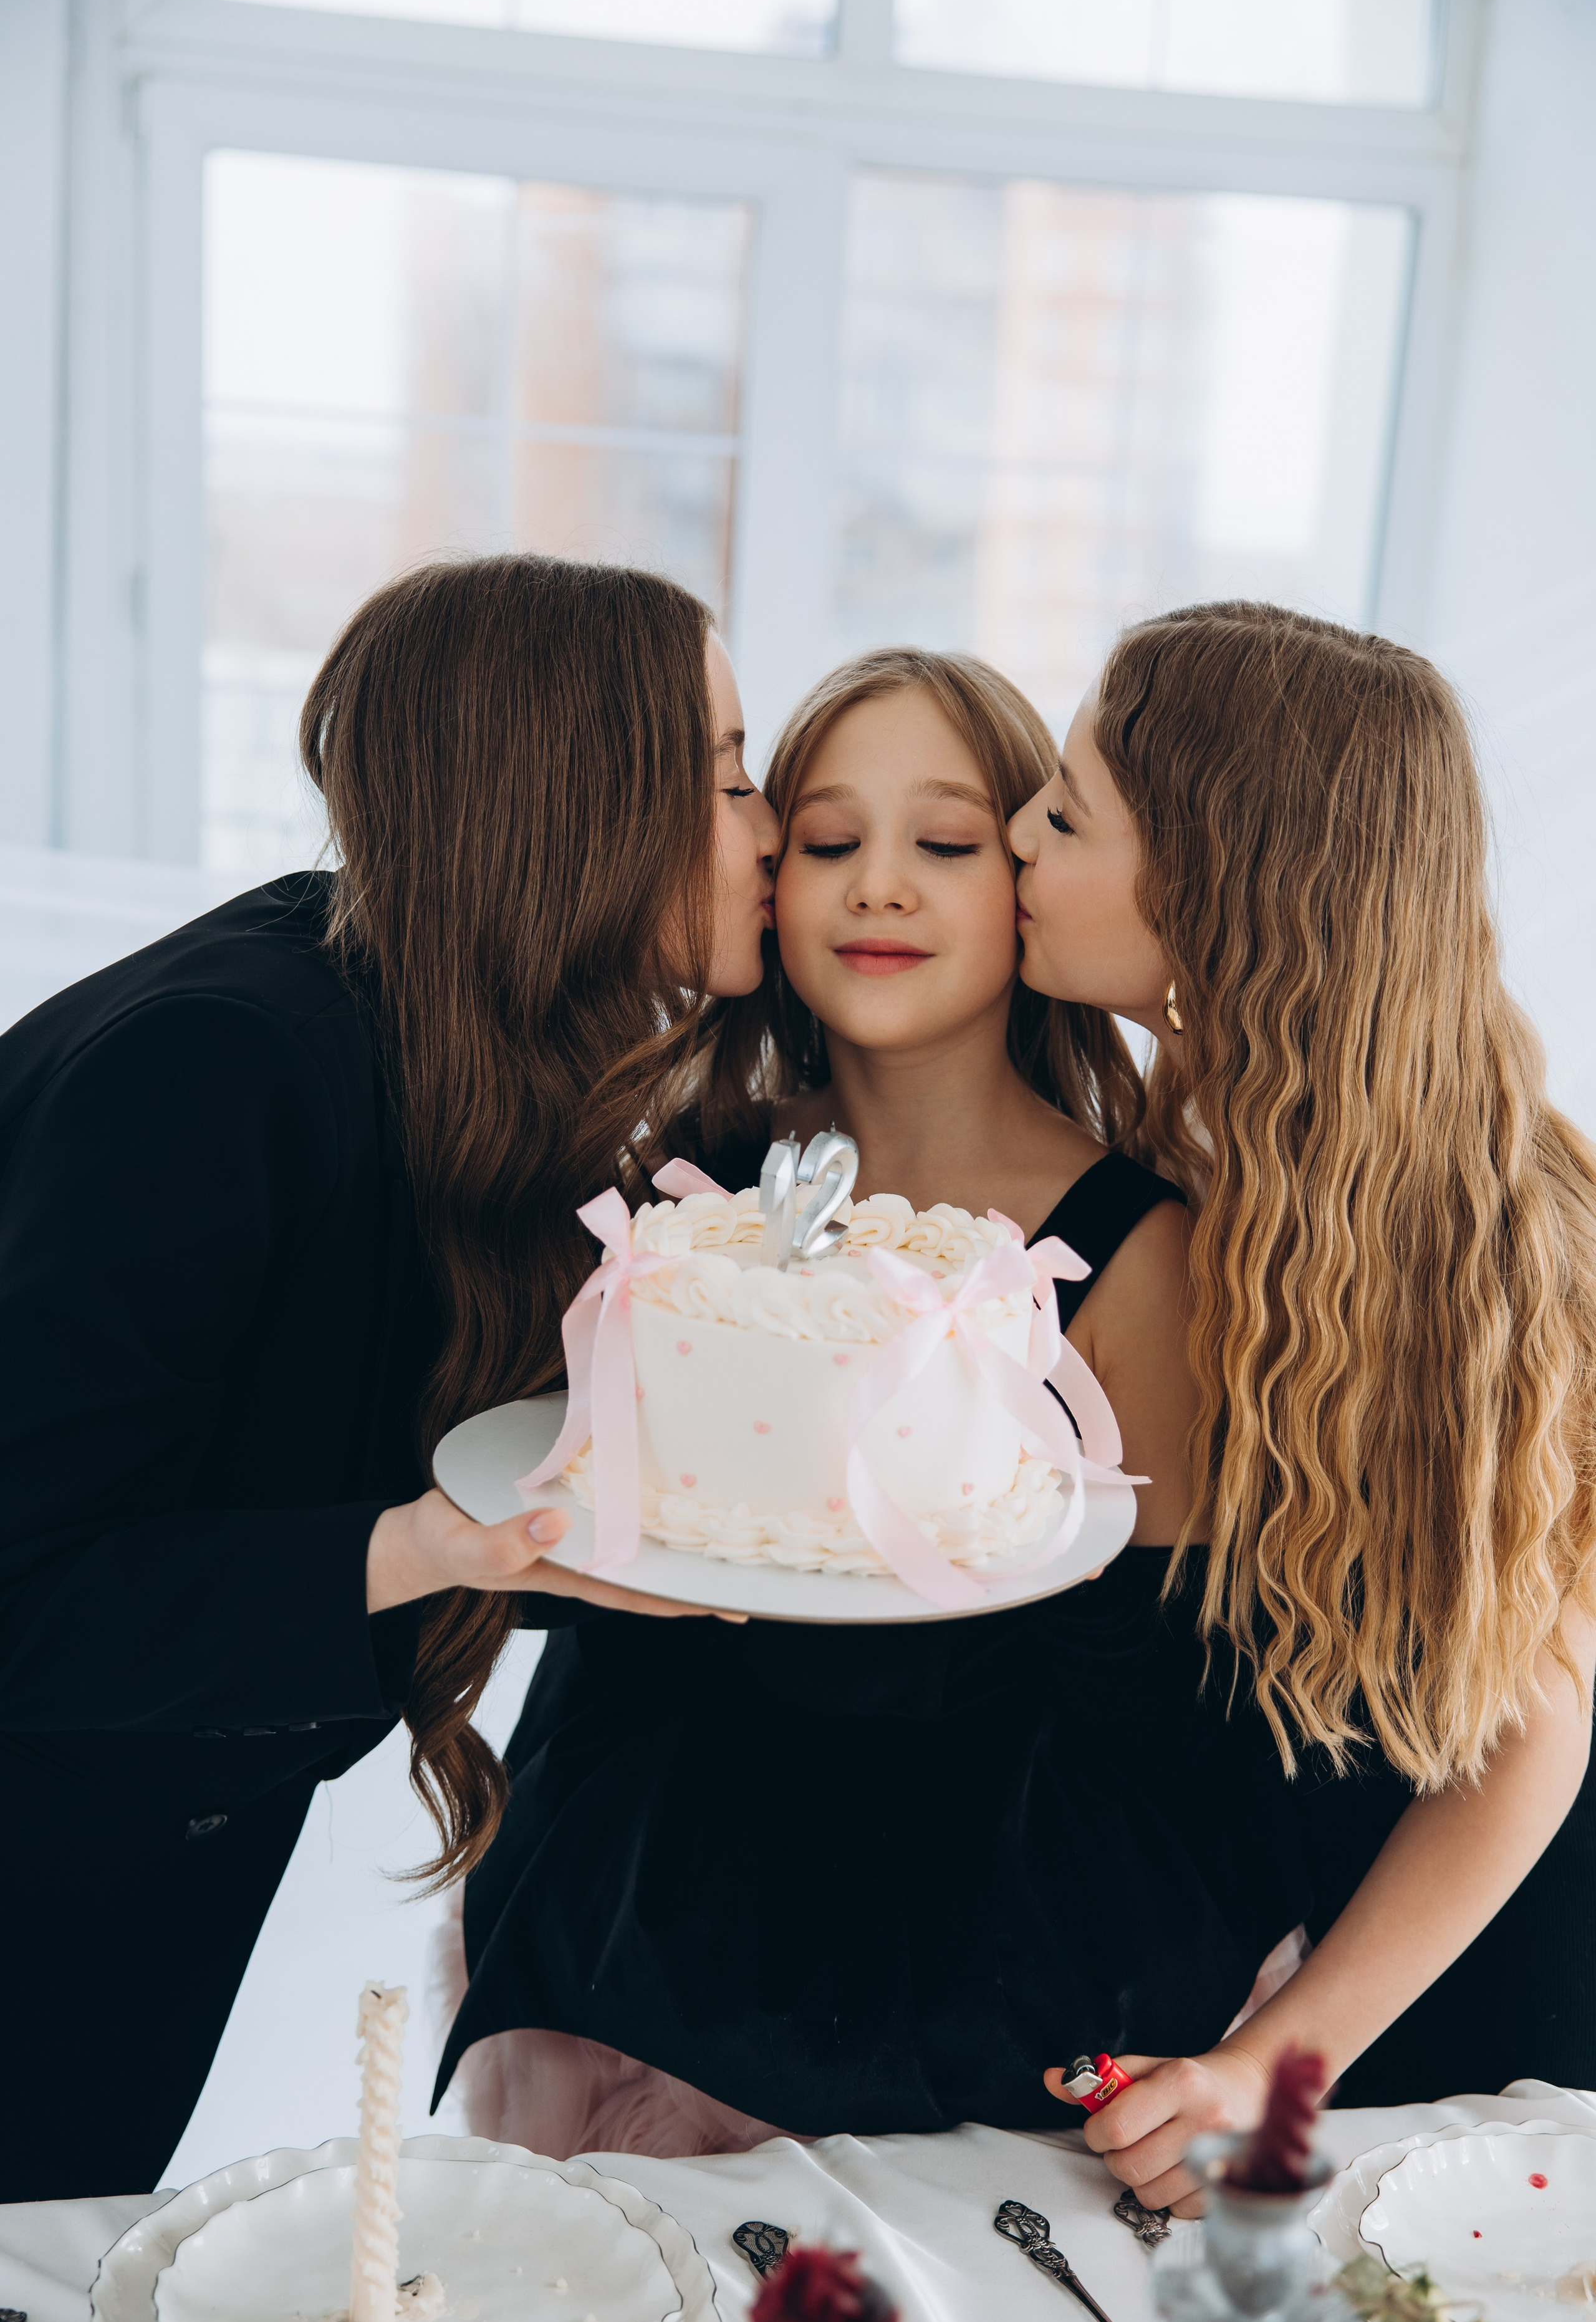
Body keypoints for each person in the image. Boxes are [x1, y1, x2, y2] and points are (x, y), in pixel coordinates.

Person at [437, 647, 1308, 2156]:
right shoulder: (684, 1190)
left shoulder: (1134, 1250)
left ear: (1026, 885)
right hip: (632, 1902)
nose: (878, 889)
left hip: (937, 1971)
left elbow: (1157, 1687)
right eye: (828, 844)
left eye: (947, 844)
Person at [0, 552, 777, 2199]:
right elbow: (28, 1583)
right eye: (728, 774)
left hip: (151, 1831)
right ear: (577, 804)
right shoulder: (215, 1069)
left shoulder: (479, 1049)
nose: (769, 828)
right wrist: (420, 1550)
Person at [1009, 600, 1596, 2214]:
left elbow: (1533, 1721)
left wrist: (1291, 2052)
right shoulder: (1219, 1163)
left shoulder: (1456, 1245)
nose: (1014, 839)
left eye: (1063, 812)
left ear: (1214, 888)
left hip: (1480, 2004)